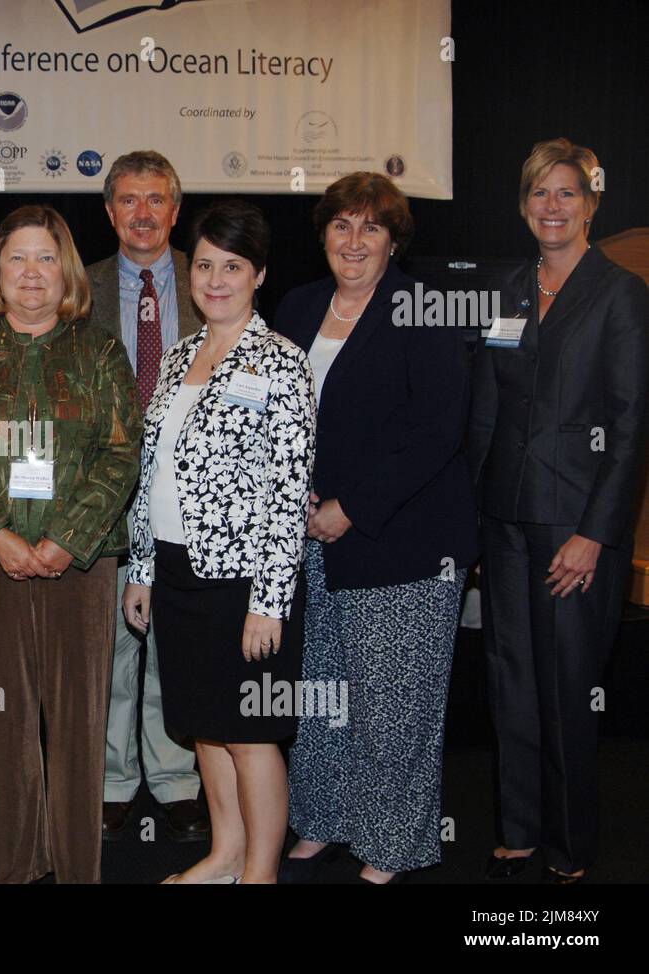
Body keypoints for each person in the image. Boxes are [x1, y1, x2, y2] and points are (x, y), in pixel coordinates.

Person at [0, 204, 142, 883]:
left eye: (46, 257)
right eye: (17, 257)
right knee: (5, 721)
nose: (31, 272)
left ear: (66, 270)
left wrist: (62, 541)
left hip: (83, 564)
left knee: (79, 727)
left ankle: (79, 869)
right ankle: (16, 868)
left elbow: (122, 451)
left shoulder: (100, 349)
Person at [275, 173, 477, 883]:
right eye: (341, 226)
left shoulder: (425, 309)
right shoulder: (297, 308)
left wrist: (348, 508)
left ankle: (390, 845)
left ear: (394, 239)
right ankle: (324, 820)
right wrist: (293, 497)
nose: (353, 242)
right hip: (310, 542)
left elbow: (436, 431)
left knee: (394, 707)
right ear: (323, 234)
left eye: (370, 228)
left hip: (405, 543)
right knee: (322, 695)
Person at [468, 138, 648, 884]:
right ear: (522, 204)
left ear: (592, 204)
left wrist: (595, 535)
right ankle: (518, 829)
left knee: (568, 684)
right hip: (504, 522)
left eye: (568, 193)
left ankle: (570, 845)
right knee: (510, 676)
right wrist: (473, 518)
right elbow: (484, 410)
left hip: (574, 527)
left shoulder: (622, 293)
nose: (553, 206)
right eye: (540, 193)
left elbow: (632, 422)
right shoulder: (506, 289)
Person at [123, 200, 315, 884]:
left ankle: (260, 872)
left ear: (258, 274)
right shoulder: (178, 359)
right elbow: (152, 476)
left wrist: (270, 602)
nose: (215, 278)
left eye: (232, 266)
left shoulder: (282, 362)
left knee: (251, 733)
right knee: (206, 725)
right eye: (204, 264)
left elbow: (288, 494)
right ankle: (225, 853)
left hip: (245, 583)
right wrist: (142, 569)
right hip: (177, 573)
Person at [85, 150, 207, 843]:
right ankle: (112, 777)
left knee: (173, 637)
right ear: (109, 212)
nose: (142, 214)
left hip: (186, 493)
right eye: (128, 200)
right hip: (103, 490)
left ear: (175, 208)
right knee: (111, 642)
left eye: (155, 199)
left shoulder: (210, 278)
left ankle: (175, 775)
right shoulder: (84, 285)